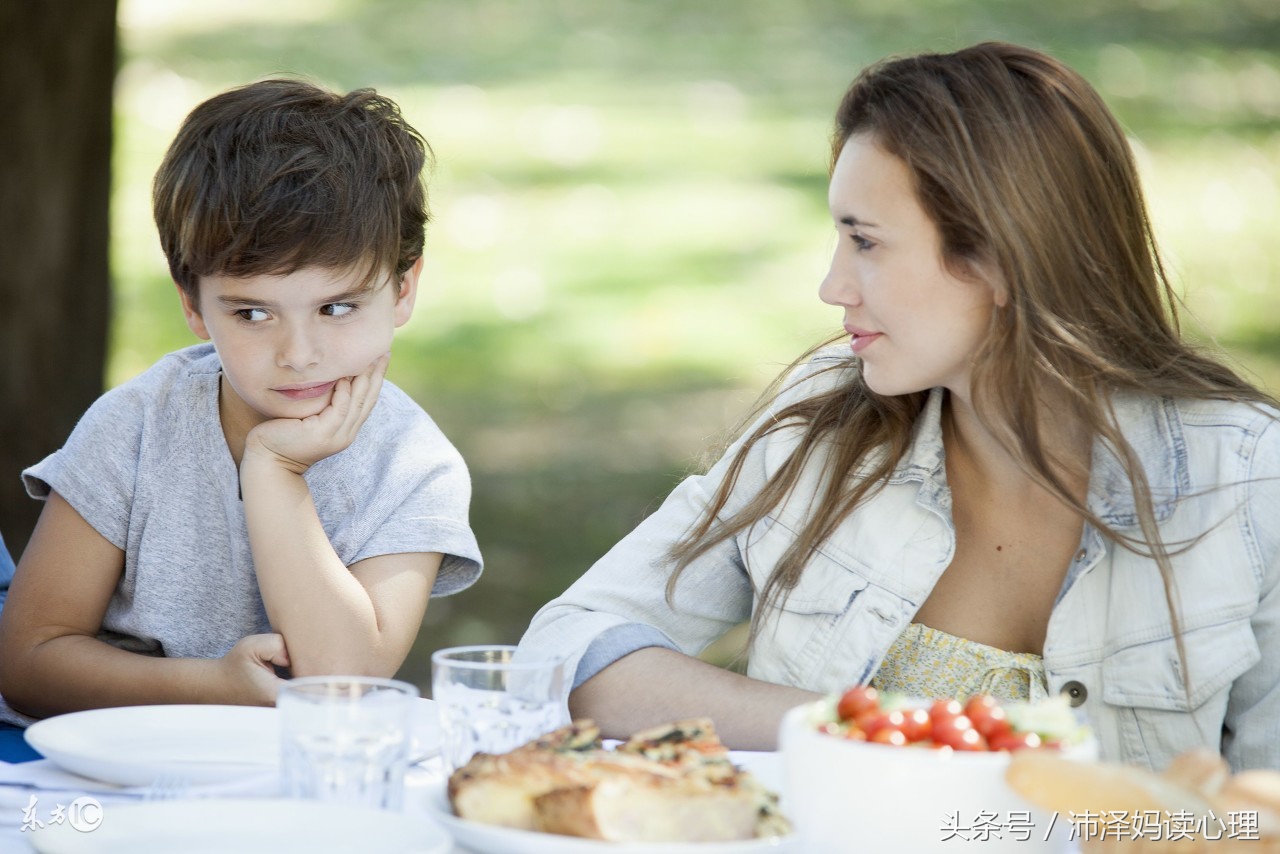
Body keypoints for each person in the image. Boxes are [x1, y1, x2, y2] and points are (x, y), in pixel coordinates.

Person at [517, 42, 1280, 772]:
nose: (832, 285)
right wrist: (854, 733)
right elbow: (570, 647)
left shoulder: (1247, 483)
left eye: (867, 243)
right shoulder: (818, 423)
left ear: (1002, 259)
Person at [0, 80, 483, 732]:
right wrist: (210, 685)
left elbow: (343, 681)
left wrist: (275, 474)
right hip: (115, 775)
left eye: (336, 307)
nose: (299, 353)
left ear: (402, 289)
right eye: (253, 312)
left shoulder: (411, 465)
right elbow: (29, 662)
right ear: (193, 305)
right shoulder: (137, 427)